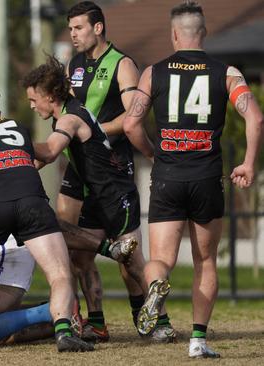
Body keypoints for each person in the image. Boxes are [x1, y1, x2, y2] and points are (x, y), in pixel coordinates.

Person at [123, 1, 263, 358]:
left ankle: (156, 285)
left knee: (162, 259)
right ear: (204, 32)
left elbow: (130, 124)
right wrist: (248, 163)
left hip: (168, 177)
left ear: (173, 35)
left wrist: (153, 152)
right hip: (206, 178)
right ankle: (198, 341)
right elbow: (256, 119)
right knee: (206, 261)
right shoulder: (227, 72)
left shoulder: (154, 72)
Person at [0, 86, 93, 352]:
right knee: (59, 273)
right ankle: (63, 332)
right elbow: (47, 154)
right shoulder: (19, 129)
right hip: (32, 203)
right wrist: (63, 132)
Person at [63, 1, 154, 343]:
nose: (73, 34)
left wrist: (94, 130)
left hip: (113, 168)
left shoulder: (123, 64)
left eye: (79, 28)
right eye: (70, 29)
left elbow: (133, 116)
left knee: (127, 252)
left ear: (98, 28)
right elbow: (68, 108)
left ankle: (147, 316)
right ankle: (94, 320)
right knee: (76, 249)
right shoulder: (73, 64)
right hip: (79, 166)